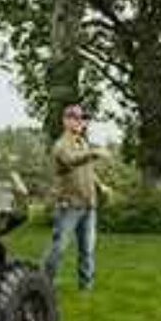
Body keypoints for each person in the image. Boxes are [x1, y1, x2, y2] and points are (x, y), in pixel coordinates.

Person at [44, 104, 111, 291]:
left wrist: (100, 186)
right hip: (69, 206)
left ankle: (86, 287)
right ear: (66, 120)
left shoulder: (83, 143)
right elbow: (71, 160)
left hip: (89, 205)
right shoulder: (60, 146)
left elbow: (88, 170)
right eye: (77, 118)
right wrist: (94, 153)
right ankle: (45, 283)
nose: (81, 122)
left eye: (83, 118)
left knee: (87, 250)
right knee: (59, 247)